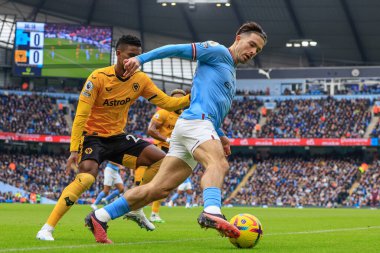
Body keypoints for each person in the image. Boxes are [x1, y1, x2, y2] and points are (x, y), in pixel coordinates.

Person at [85, 21, 267, 244]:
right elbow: (175, 49)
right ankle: (212, 210)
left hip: (194, 126)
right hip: (195, 124)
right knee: (218, 164)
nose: (252, 52)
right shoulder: (217, 51)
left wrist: (221, 134)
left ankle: (99, 216)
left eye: (257, 50)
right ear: (238, 38)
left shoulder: (229, 69)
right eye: (251, 45)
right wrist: (140, 59)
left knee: (157, 190)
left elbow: (209, 105)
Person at [36, 35, 190, 241]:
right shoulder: (98, 77)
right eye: (130, 55)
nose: (135, 60)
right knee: (86, 178)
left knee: (161, 159)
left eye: (138, 56)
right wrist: (74, 149)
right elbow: (81, 115)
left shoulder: (140, 80)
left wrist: (195, 96)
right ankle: (47, 228)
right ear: (118, 54)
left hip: (118, 138)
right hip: (93, 138)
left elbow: (169, 103)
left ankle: (135, 206)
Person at [146, 88, 187, 222]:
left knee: (163, 184)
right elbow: (151, 130)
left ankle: (153, 213)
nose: (178, 102)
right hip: (160, 149)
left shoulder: (185, 116)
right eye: (176, 99)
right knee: (157, 182)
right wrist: (166, 139)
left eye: (181, 99)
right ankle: (140, 208)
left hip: (174, 152)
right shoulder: (163, 112)